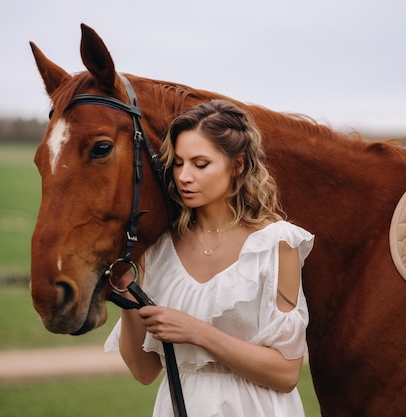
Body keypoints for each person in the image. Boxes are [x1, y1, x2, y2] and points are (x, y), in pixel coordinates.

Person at [105, 99, 315, 417]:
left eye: (200, 164)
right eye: (178, 163)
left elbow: (286, 373)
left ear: (239, 165)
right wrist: (126, 290)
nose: (184, 176)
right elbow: (144, 371)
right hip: (179, 406)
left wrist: (198, 332)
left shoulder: (276, 243)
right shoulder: (158, 248)